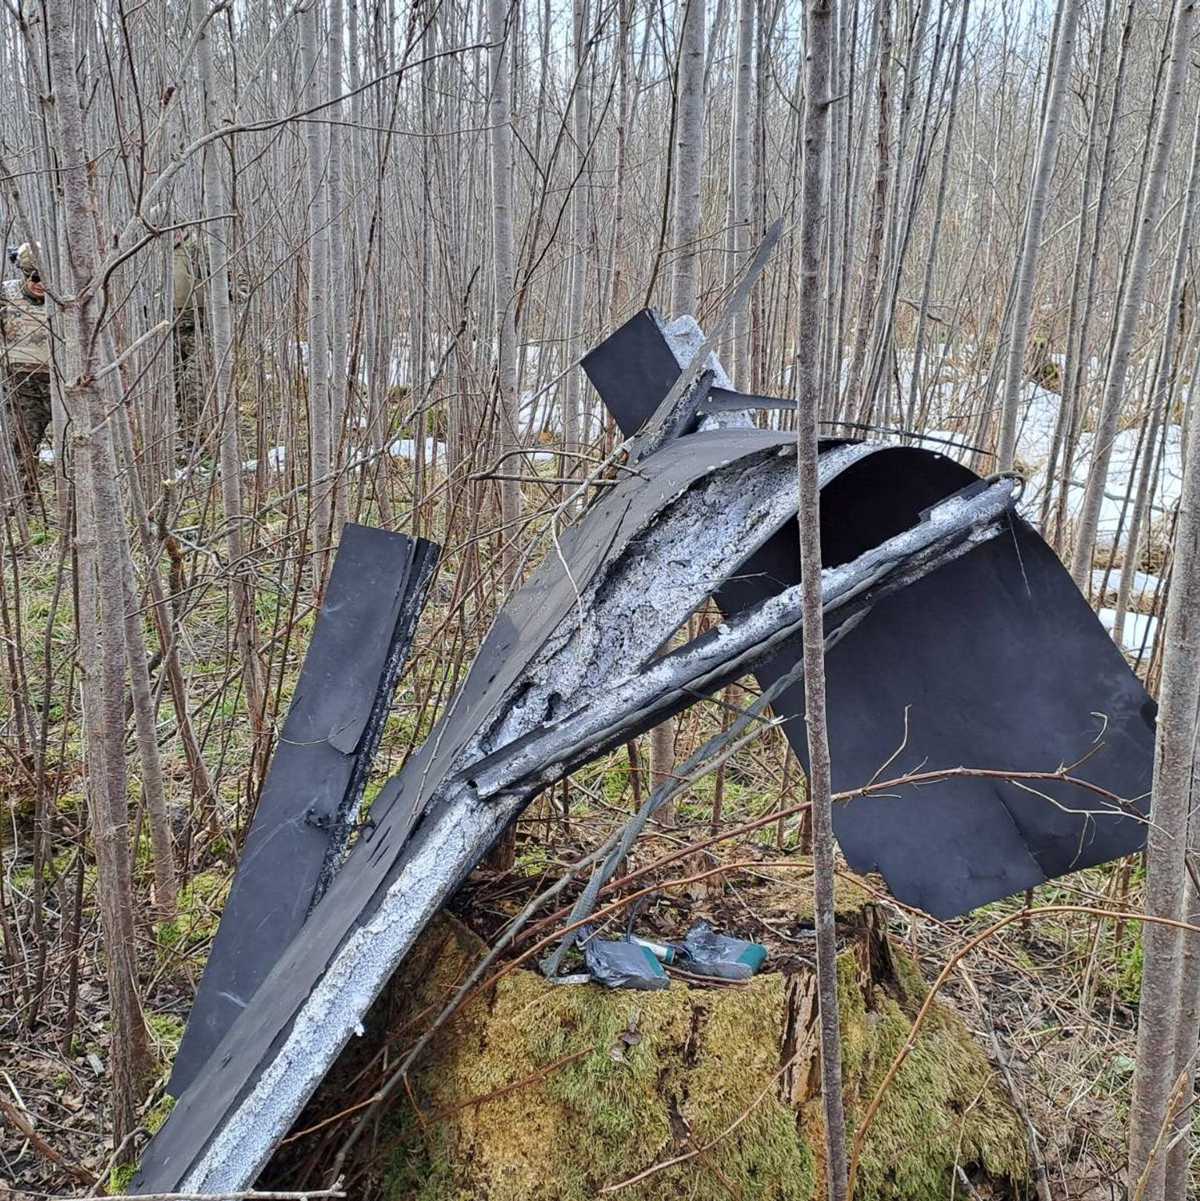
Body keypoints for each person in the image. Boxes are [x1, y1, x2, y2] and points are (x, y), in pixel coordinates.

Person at [0, 242, 51, 497]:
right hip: (20, 385)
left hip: (59, 384)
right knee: (21, 446)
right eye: (34, 277)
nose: (40, 284)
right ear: (22, 272)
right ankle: (24, 501)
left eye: (45, 277)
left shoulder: (64, 299)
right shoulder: (6, 295)